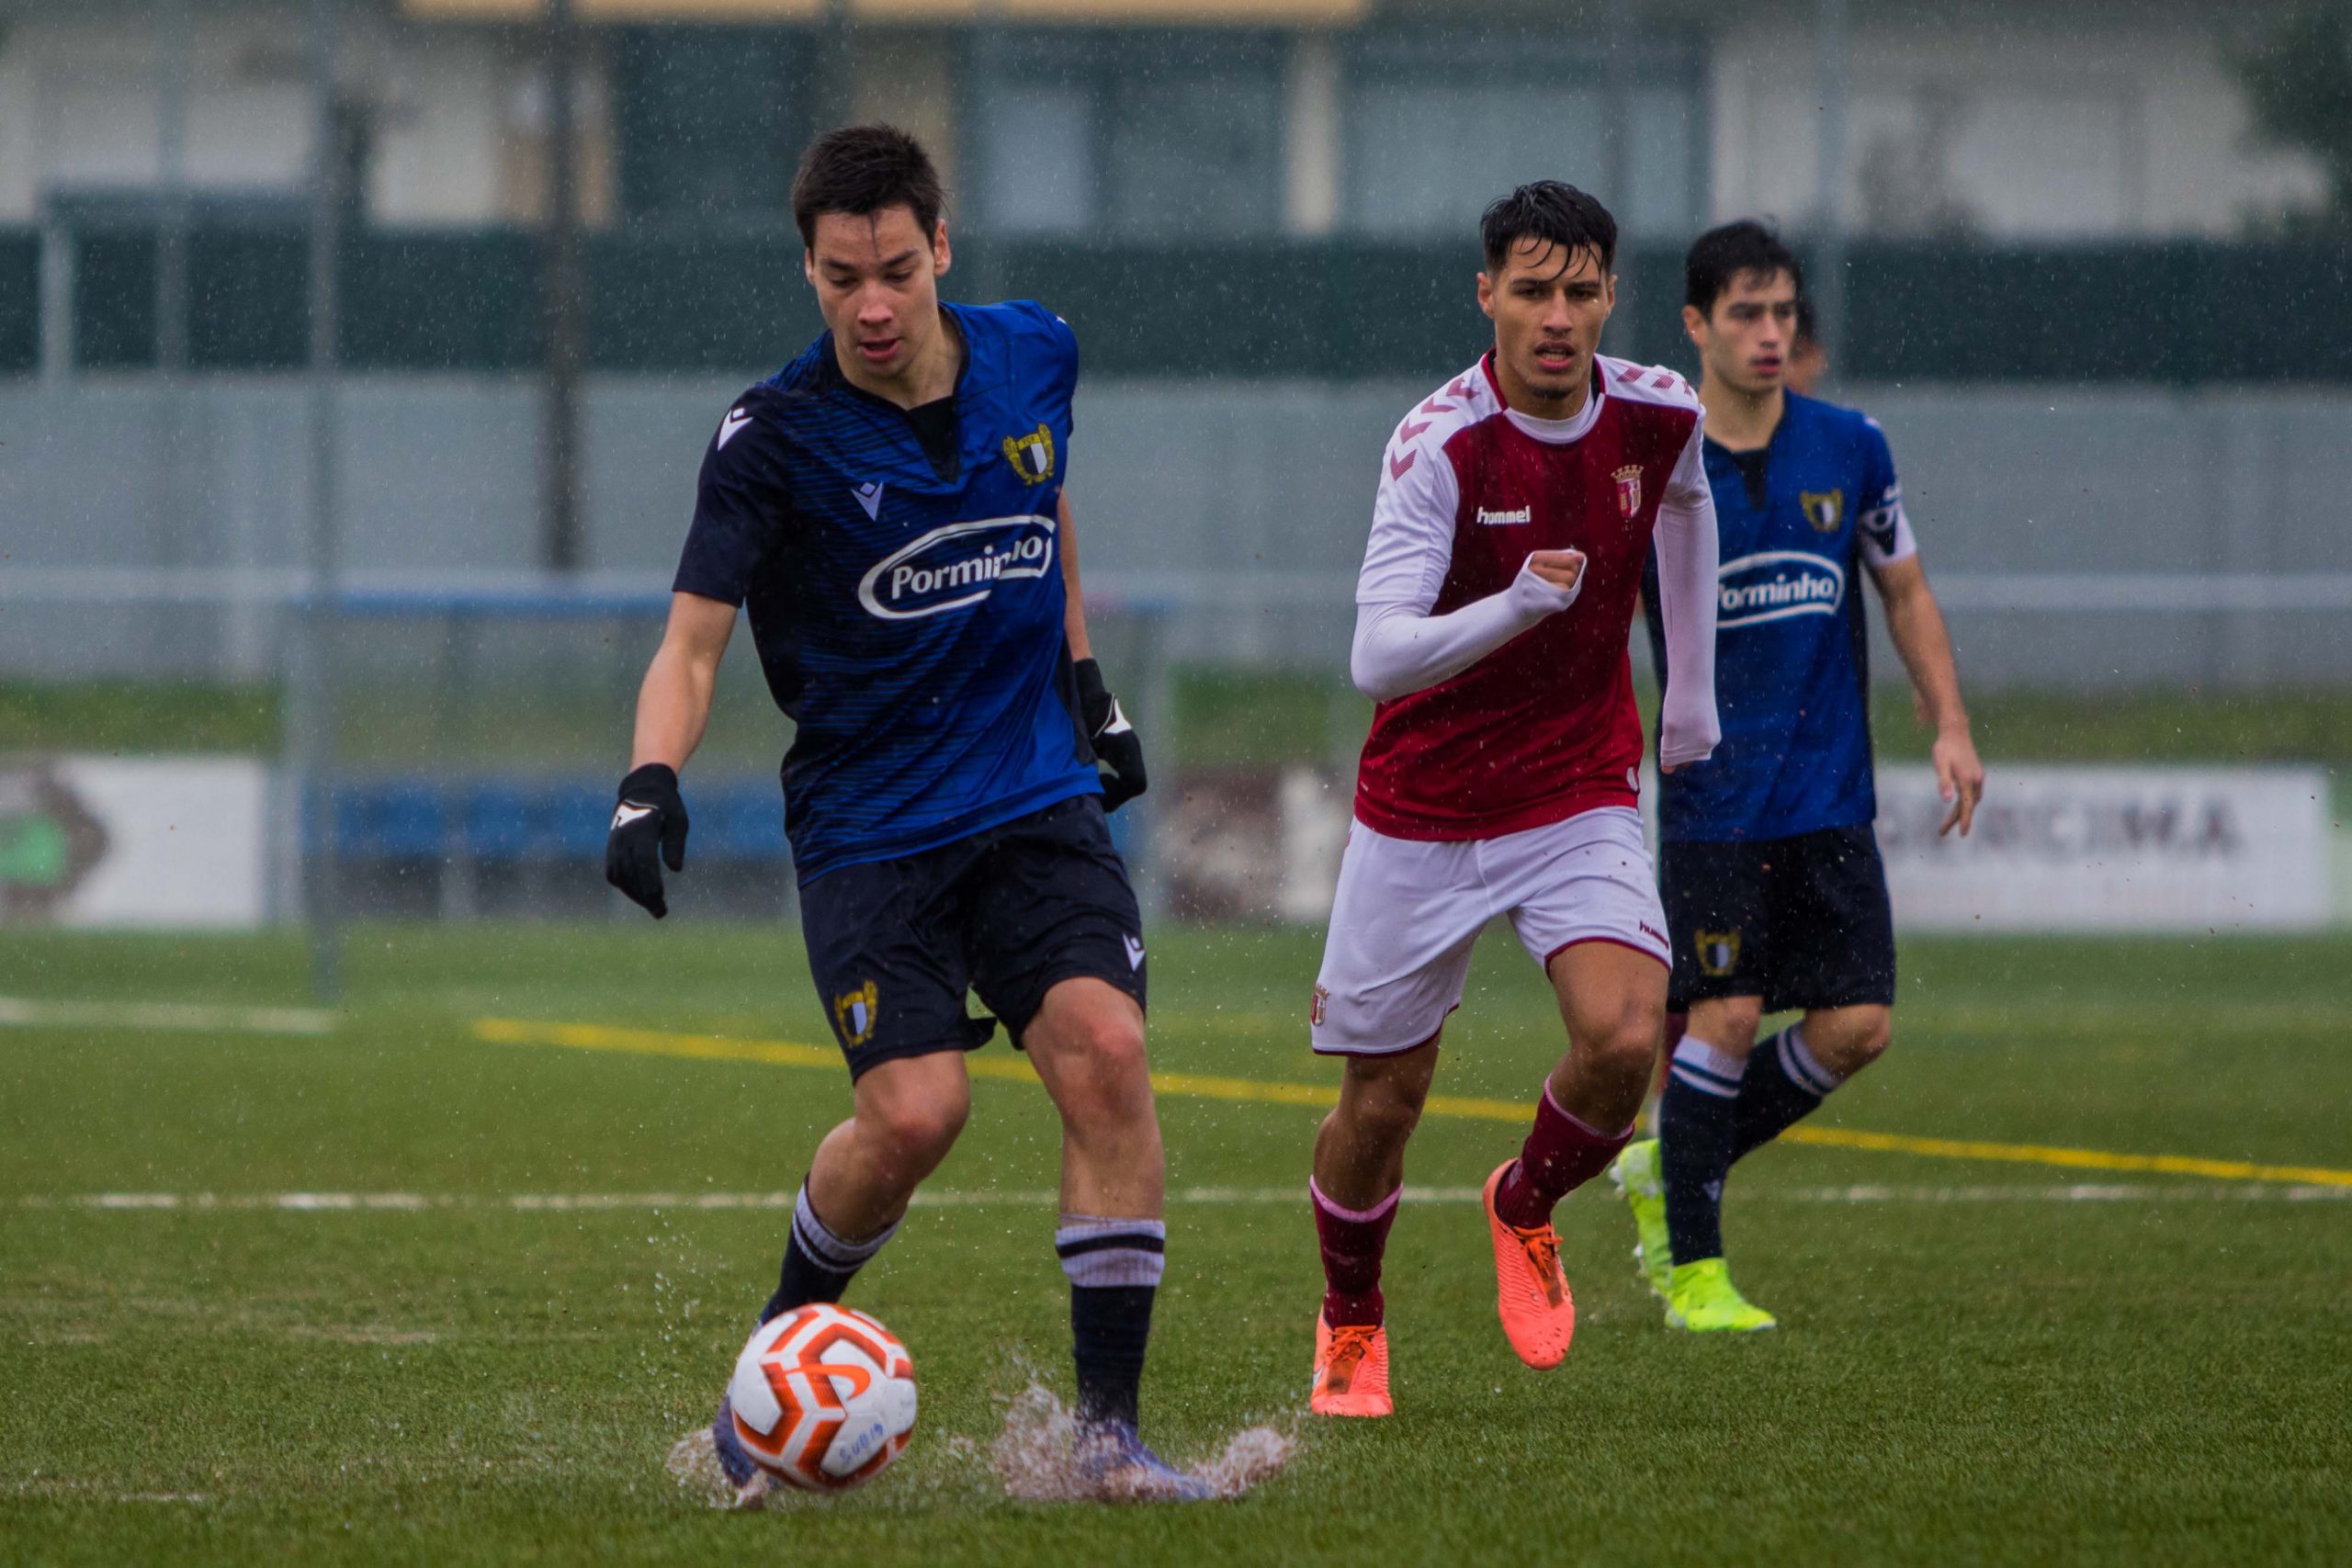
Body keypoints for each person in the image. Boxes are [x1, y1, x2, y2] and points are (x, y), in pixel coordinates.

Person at [603, 124, 1201, 1498]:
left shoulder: (1038, 351)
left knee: (1108, 1052)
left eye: (892, 270)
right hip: (871, 825)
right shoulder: (773, 438)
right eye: (836, 278)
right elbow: (692, 643)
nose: (869, 306)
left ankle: (1106, 1435)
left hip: (1032, 793)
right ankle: (772, 1365)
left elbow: (1040, 526)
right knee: (917, 1115)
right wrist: (650, 782)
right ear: (807, 270)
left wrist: (1089, 686)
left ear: (942, 247)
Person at [1302, 181, 1722, 1418]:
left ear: (1609, 298)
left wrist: (1688, 691)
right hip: (1420, 804)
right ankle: (1351, 1314)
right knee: (1382, 1101)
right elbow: (1375, 657)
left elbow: (1689, 503)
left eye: (1581, 290)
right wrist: (1514, 607)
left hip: (1575, 784)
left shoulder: (1659, 412)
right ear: (1486, 294)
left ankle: (1524, 1200)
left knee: (1625, 1036)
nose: (1557, 316)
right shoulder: (1439, 442)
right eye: (1531, 290)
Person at [1611, 220, 1985, 1332]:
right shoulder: (1654, 460)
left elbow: (1904, 590)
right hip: (1713, 802)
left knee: (1858, 1024)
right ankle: (1696, 1277)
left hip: (1829, 796)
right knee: (1720, 1020)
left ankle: (1669, 1162)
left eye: (1783, 313)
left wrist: (1949, 721)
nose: (1770, 335)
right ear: (1695, 325)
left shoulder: (1851, 446)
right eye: (1744, 314)